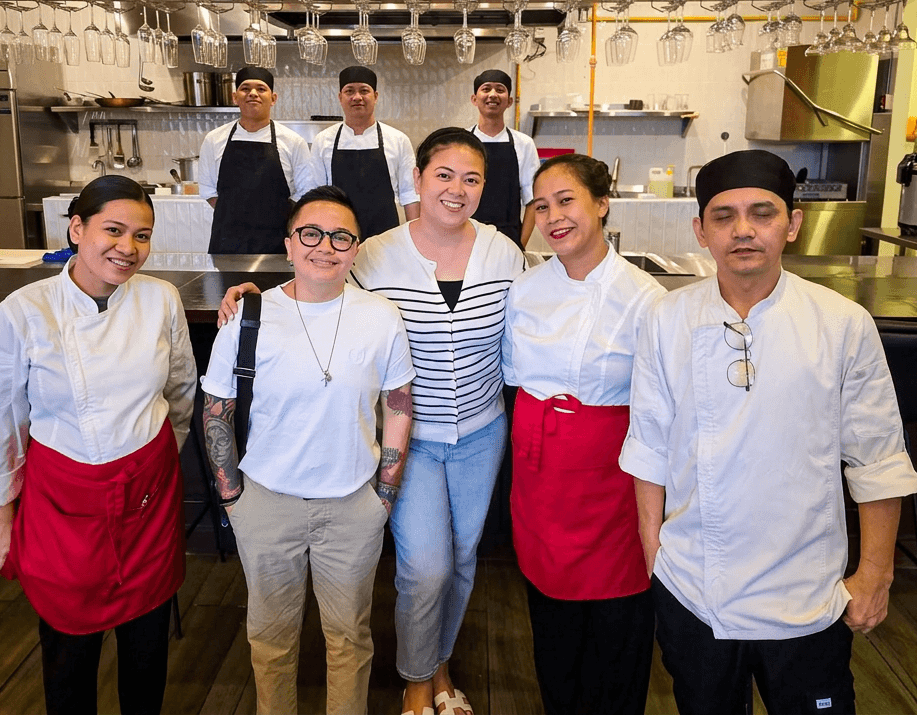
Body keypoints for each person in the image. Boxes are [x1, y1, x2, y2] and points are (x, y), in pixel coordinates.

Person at [220, 128, 525, 715]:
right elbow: (321, 288)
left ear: (485, 187)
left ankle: (439, 666)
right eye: (443, 175)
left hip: (482, 431)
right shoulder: (378, 252)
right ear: (417, 179)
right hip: (407, 436)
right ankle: (416, 677)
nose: (456, 189)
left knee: (463, 559)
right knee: (426, 565)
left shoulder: (504, 252)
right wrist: (259, 299)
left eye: (471, 179)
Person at [619, 149, 917, 715]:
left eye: (762, 213)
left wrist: (875, 574)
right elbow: (649, 448)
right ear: (701, 231)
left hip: (807, 593)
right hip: (695, 588)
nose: (743, 230)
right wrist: (655, 558)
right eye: (724, 216)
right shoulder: (666, 319)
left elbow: (878, 459)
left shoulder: (842, 324)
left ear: (793, 224)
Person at [0, 175, 197, 715]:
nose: (128, 248)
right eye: (113, 231)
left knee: (147, 646)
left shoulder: (161, 299)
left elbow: (181, 389)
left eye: (142, 236)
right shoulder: (26, 310)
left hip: (148, 495)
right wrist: (0, 514)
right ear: (77, 229)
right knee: (68, 654)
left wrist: (158, 454)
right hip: (64, 498)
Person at [201, 185, 416, 715]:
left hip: (353, 505)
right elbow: (216, 410)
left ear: (356, 248)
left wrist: (383, 497)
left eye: (341, 236)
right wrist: (233, 500)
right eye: (311, 233)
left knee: (350, 639)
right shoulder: (248, 317)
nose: (326, 246)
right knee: (271, 641)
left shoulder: (381, 317)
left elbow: (398, 406)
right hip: (266, 504)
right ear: (289, 243)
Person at [502, 153, 665, 715]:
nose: (553, 217)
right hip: (540, 478)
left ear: (602, 204)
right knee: (553, 625)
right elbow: (513, 378)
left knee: (617, 624)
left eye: (566, 201)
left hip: (611, 485)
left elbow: (658, 409)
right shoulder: (524, 290)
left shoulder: (645, 298)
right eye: (541, 206)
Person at [199, 66, 323, 254]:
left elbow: (305, 191)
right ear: (235, 97)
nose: (253, 94)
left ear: (273, 98)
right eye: (245, 88)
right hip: (228, 240)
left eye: (261, 89)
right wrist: (237, 215)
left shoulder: (293, 142)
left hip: (278, 240)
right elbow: (208, 190)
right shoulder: (214, 139)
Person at [312, 65, 420, 239]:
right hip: (338, 237)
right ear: (340, 97)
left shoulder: (398, 140)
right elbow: (317, 198)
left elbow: (410, 195)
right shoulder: (323, 141)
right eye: (349, 91)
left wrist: (415, 241)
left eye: (364, 91)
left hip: (387, 237)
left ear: (375, 96)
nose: (357, 97)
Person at [468, 69, 540, 249]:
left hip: (509, 240)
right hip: (466, 238)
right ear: (474, 99)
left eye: (500, 90)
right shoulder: (462, 141)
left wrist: (519, 246)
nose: (493, 94)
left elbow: (533, 201)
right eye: (486, 89)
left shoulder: (524, 144)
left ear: (509, 101)